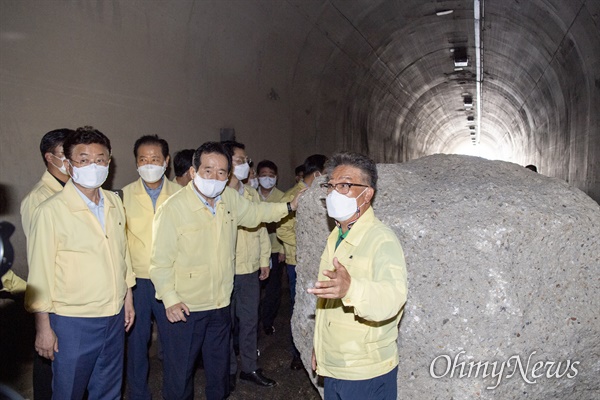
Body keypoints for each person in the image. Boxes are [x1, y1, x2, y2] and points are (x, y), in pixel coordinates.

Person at [149, 141, 302, 400]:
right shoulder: (173, 208)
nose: (215, 177)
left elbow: (255, 214)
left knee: (219, 374)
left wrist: (288, 206)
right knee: (180, 375)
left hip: (220, 305)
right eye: (208, 170)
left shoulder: (228, 198)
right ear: (194, 171)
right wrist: (170, 298)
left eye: (222, 172)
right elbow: (159, 261)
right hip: (185, 308)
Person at [25, 126, 136, 399]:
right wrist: (43, 328)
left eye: (100, 159)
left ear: (109, 162)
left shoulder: (114, 202)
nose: (93, 166)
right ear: (69, 164)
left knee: (109, 390)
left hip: (112, 315)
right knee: (68, 391)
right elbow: (39, 273)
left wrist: (128, 297)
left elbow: (123, 254)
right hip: (73, 321)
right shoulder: (50, 210)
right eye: (83, 159)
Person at [308, 151, 407, 400]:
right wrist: (320, 347)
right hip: (337, 362)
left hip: (365, 370)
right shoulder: (336, 236)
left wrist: (352, 289)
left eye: (345, 185)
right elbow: (327, 303)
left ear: (367, 193)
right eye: (331, 186)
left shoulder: (381, 239)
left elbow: (392, 298)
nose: (334, 193)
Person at [123, 135, 181, 400]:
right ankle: (138, 394)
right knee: (137, 344)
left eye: (154, 159)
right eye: (142, 160)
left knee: (174, 343)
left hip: (172, 280)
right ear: (136, 163)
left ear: (166, 162)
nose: (149, 164)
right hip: (138, 282)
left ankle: (175, 393)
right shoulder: (122, 197)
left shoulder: (182, 196)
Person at [19, 127, 73, 400]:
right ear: (49, 158)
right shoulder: (39, 199)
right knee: (48, 371)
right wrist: (43, 322)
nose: (74, 160)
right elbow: (39, 261)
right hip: (53, 301)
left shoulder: (79, 191)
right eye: (67, 155)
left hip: (76, 301)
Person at [222, 141, 276, 391]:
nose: (246, 165)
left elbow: (261, 228)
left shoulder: (251, 194)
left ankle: (249, 368)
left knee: (249, 321)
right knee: (224, 325)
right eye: (240, 160)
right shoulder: (218, 194)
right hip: (224, 271)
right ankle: (227, 370)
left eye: (246, 160)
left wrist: (264, 259)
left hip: (249, 269)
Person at [277, 153, 327, 369]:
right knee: (302, 310)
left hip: (319, 261)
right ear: (317, 174)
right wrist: (306, 248)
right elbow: (282, 229)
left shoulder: (320, 192)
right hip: (297, 262)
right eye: (326, 174)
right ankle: (298, 353)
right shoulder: (292, 196)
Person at [256, 160, 286, 336]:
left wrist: (283, 249)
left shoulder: (282, 197)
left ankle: (268, 321)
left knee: (273, 289)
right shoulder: (252, 195)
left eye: (271, 175)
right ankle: (255, 320)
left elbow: (285, 225)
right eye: (264, 174)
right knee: (256, 290)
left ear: (276, 177)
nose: (267, 178)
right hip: (256, 250)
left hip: (275, 249)